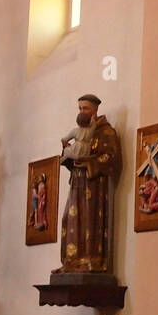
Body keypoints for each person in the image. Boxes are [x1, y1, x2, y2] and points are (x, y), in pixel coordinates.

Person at [54, 94, 121, 273]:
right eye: (80, 108)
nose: (82, 112)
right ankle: (71, 262)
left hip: (93, 185)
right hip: (77, 181)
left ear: (95, 110)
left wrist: (88, 162)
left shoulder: (105, 132)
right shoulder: (79, 131)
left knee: (88, 220)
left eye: (86, 108)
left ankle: (90, 261)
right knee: (70, 218)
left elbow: (110, 157)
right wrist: (68, 155)